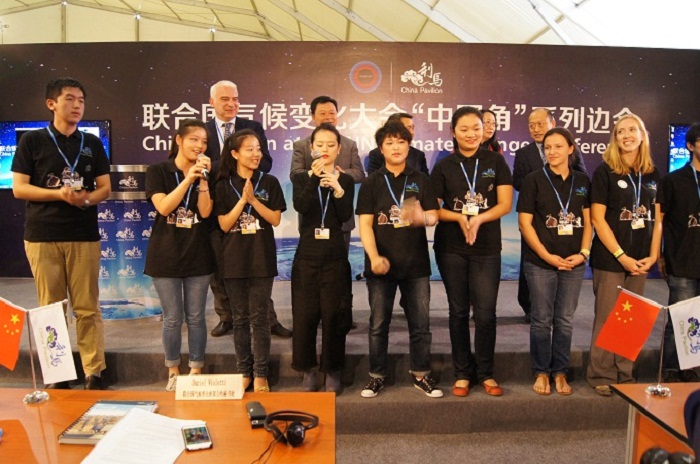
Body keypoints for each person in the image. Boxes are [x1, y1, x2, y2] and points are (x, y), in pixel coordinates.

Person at [12, 77, 111, 390]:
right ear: (51, 103)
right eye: (69, 99)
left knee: (88, 307)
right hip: (42, 235)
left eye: (81, 100)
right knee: (51, 308)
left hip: (84, 234)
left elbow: (105, 188)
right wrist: (59, 195)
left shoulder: (92, 143)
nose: (77, 105)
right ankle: (57, 372)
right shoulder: (33, 141)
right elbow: (19, 188)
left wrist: (86, 199)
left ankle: (94, 371)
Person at [431, 106, 513, 398]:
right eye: (464, 129)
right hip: (451, 247)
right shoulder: (444, 165)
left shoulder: (496, 161)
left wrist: (479, 218)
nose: (471, 134)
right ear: (453, 132)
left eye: (476, 128)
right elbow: (434, 209)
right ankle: (463, 373)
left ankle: (486, 372)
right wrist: (459, 217)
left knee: (486, 313)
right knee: (457, 311)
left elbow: (505, 204)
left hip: (486, 247)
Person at [356, 121, 442, 399]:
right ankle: (376, 376)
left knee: (421, 325)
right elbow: (365, 224)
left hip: (415, 264)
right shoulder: (372, 182)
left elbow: (434, 215)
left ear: (409, 146)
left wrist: (422, 218)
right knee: (378, 325)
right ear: (381, 149)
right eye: (389, 143)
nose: (396, 147)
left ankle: (421, 374)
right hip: (380, 266)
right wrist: (374, 257)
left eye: (401, 142)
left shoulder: (420, 179)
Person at [203, 80, 290, 339]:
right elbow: (197, 164)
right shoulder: (203, 131)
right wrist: (226, 165)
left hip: (251, 200)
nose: (231, 104)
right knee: (219, 267)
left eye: (235, 98)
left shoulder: (252, 128)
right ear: (212, 102)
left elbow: (266, 162)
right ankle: (226, 317)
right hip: (217, 203)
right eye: (225, 99)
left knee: (258, 271)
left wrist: (240, 162)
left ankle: (268, 319)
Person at [586, 114, 662, 396]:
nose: (627, 135)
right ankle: (601, 374)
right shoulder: (604, 172)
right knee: (608, 317)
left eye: (632, 130)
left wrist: (653, 256)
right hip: (611, 259)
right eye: (620, 131)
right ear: (615, 138)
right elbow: (597, 219)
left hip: (641, 259)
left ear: (642, 135)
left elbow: (658, 219)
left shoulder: (653, 174)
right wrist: (621, 256)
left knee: (631, 319)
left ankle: (624, 373)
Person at [517, 127, 592, 396]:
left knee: (564, 319)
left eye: (558, 146)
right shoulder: (533, 180)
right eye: (547, 147)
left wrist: (583, 253)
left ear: (571, 149)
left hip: (574, 262)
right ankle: (541, 371)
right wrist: (546, 255)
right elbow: (525, 224)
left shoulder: (582, 181)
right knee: (541, 319)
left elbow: (589, 222)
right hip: (540, 262)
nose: (552, 152)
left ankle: (560, 371)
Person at [145, 119, 215, 392]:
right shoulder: (158, 170)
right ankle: (173, 368)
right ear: (179, 140)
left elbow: (205, 212)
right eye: (194, 139)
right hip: (165, 255)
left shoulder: (206, 172)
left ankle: (196, 367)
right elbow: (164, 207)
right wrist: (188, 179)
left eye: (204, 141)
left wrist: (203, 181)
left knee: (196, 317)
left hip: (198, 253)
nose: (200, 146)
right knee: (172, 318)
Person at [215, 129, 286, 393]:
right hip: (233, 259)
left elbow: (275, 219)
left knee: (259, 318)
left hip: (261, 258)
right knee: (240, 319)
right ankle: (244, 371)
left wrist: (253, 200)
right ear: (235, 154)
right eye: (250, 149)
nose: (256, 154)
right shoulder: (223, 185)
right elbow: (224, 224)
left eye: (258, 148)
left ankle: (261, 374)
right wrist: (242, 201)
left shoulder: (269, 182)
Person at [290, 95, 365, 329]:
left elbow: (359, 173)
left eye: (332, 113)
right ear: (313, 117)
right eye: (322, 113)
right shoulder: (302, 145)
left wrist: (339, 177)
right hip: (312, 217)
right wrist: (314, 174)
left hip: (340, 217)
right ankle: (315, 314)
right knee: (311, 272)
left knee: (339, 270)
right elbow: (295, 174)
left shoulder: (348, 144)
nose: (328, 117)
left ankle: (343, 315)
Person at [291, 123, 354, 394]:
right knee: (304, 315)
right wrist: (314, 179)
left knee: (334, 316)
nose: (325, 149)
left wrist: (338, 189)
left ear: (339, 149)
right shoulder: (302, 178)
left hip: (335, 257)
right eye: (319, 145)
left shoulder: (346, 180)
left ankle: (332, 369)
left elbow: (345, 216)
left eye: (331, 145)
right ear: (311, 148)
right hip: (307, 256)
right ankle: (307, 369)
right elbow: (301, 206)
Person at [513, 108, 588, 323]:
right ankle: (529, 307)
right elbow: (517, 181)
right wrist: (541, 185)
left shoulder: (569, 150)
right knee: (531, 264)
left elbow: (581, 176)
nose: (536, 129)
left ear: (552, 123)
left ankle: (556, 307)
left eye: (540, 124)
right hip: (536, 217)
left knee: (564, 316)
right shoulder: (524, 153)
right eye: (531, 125)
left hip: (566, 219)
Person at [657, 122, 700, 383]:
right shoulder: (672, 181)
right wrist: (661, 255)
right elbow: (660, 222)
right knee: (680, 318)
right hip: (682, 260)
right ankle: (671, 368)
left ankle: (691, 367)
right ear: (691, 146)